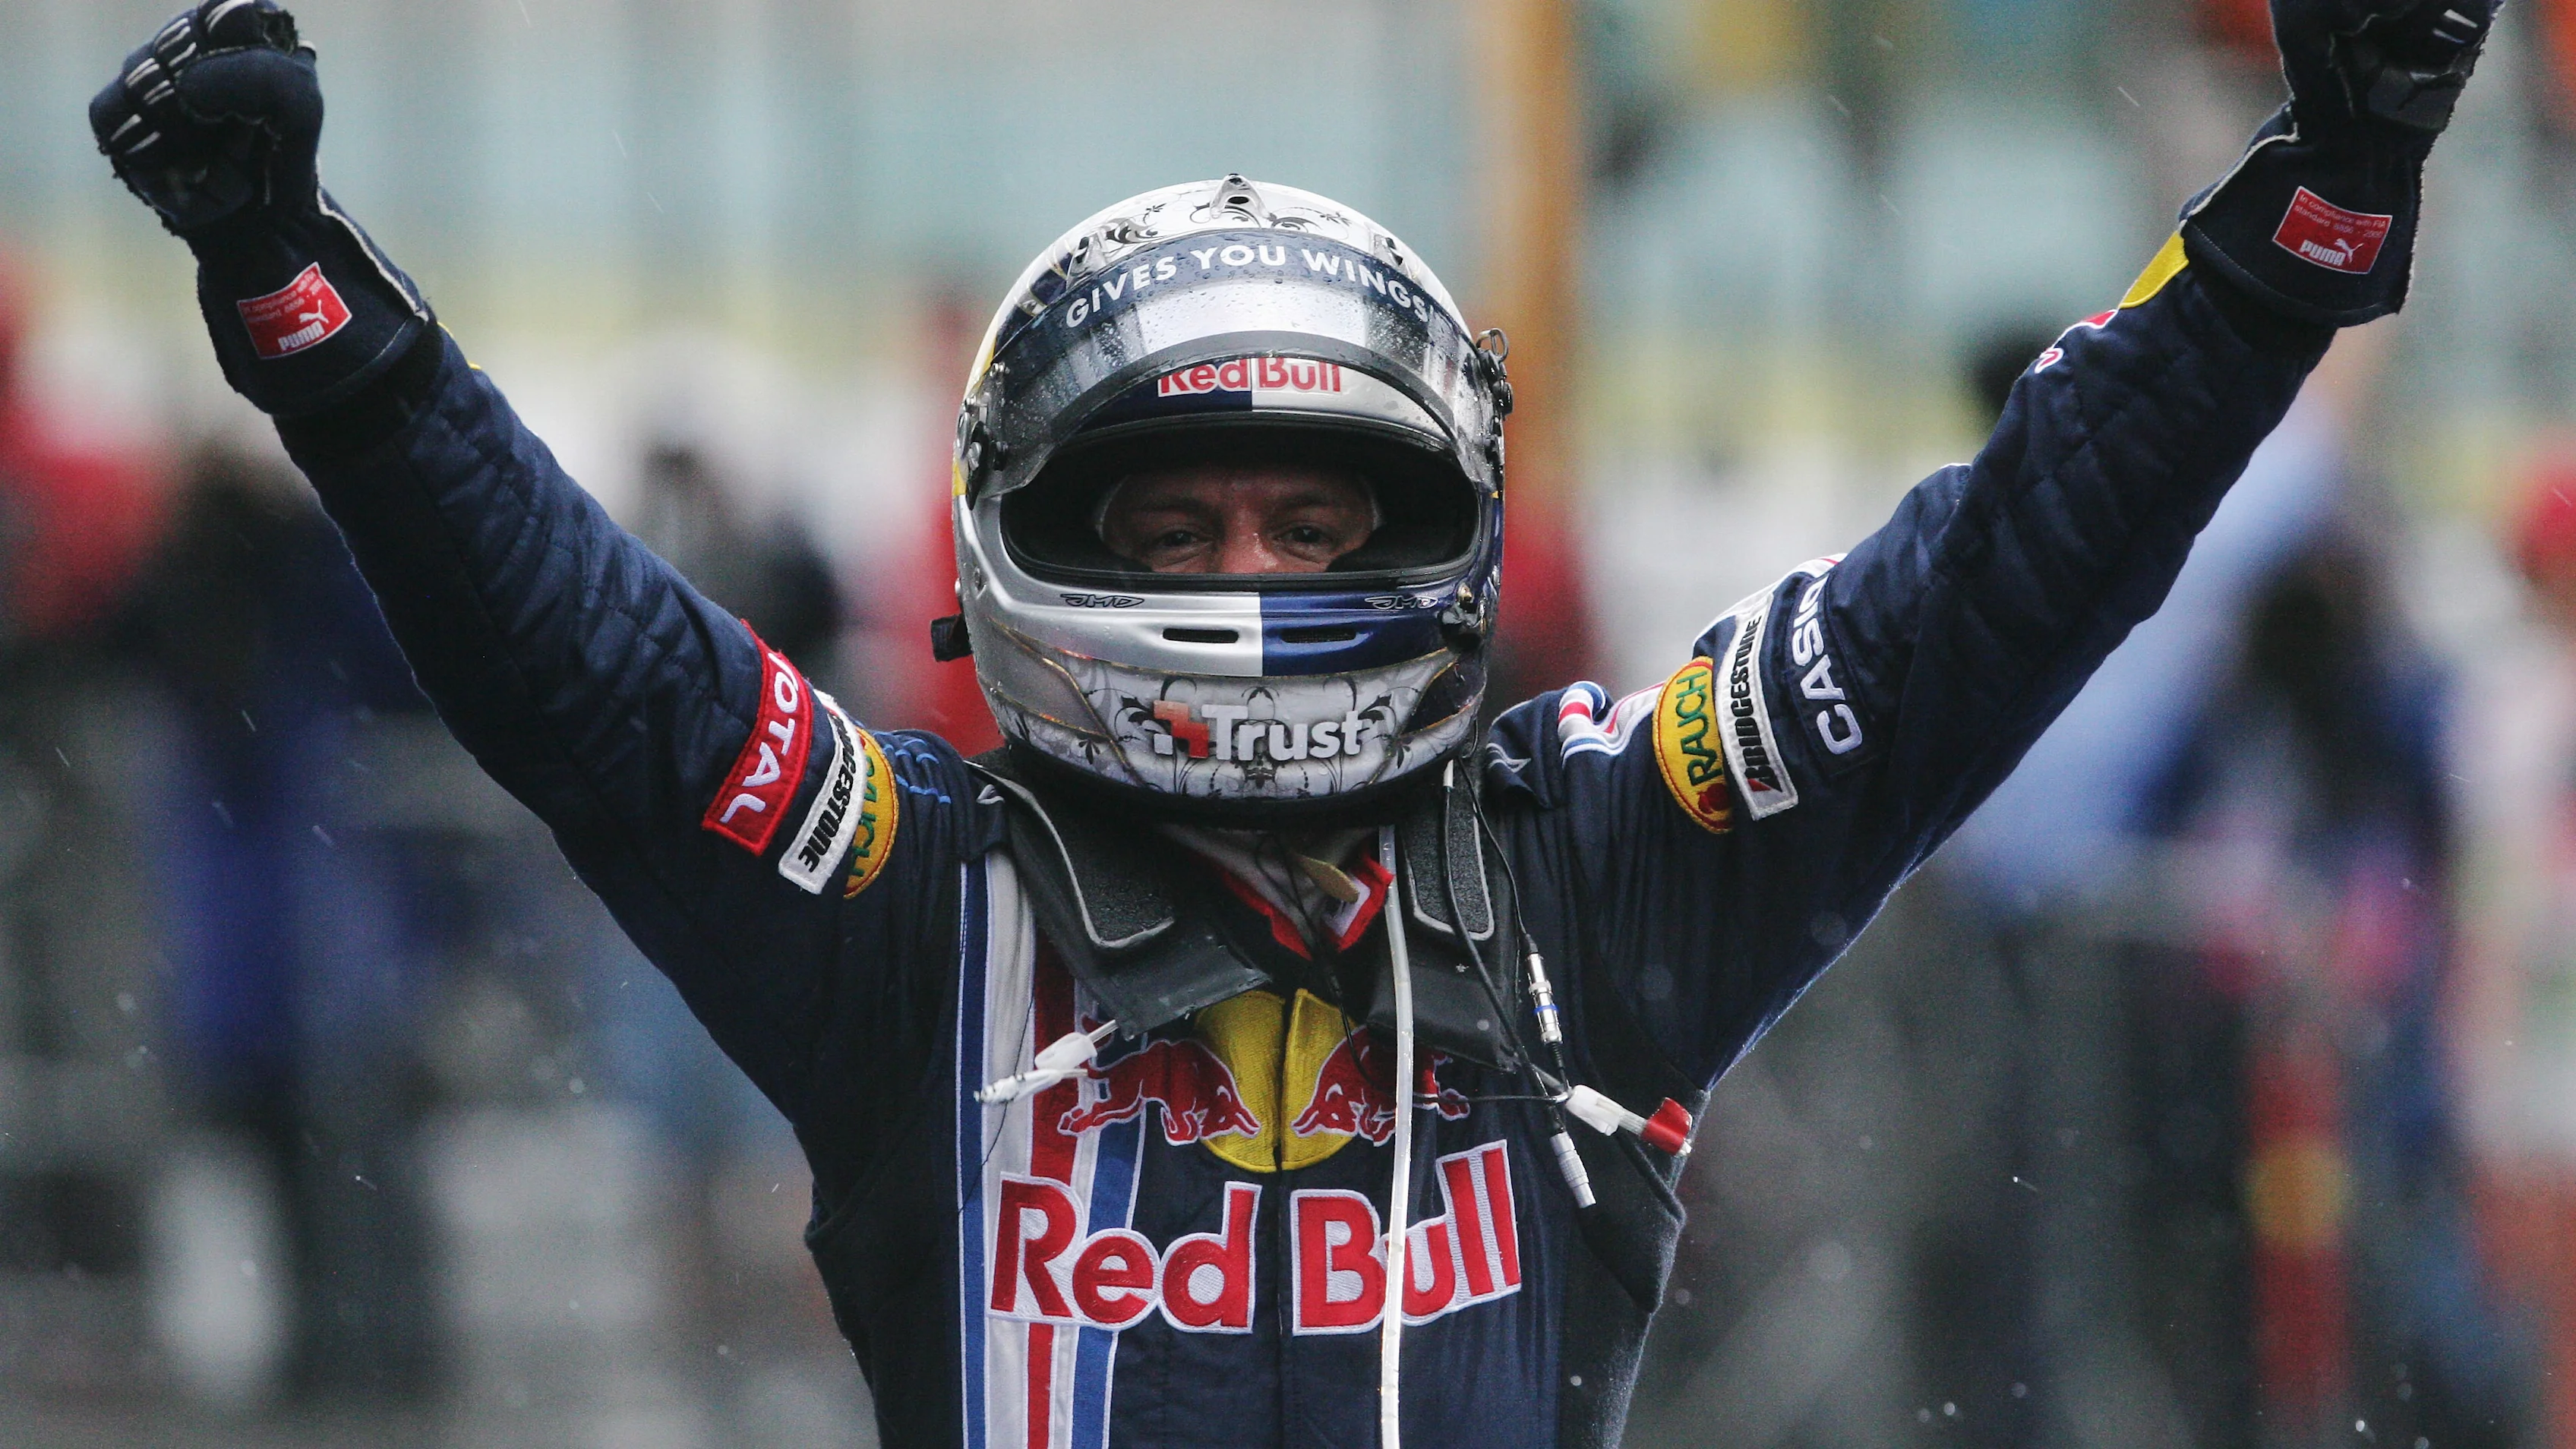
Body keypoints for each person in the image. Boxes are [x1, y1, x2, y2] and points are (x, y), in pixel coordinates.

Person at [87, 2, 2493, 1444]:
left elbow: (1989, 584)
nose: (1251, 586)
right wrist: (317, 308)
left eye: (1316, 530)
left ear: (1430, 533)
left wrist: (2299, 228)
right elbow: (597, 674)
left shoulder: (1594, 864)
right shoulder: (922, 917)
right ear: (1036, 537)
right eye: (1181, 524)